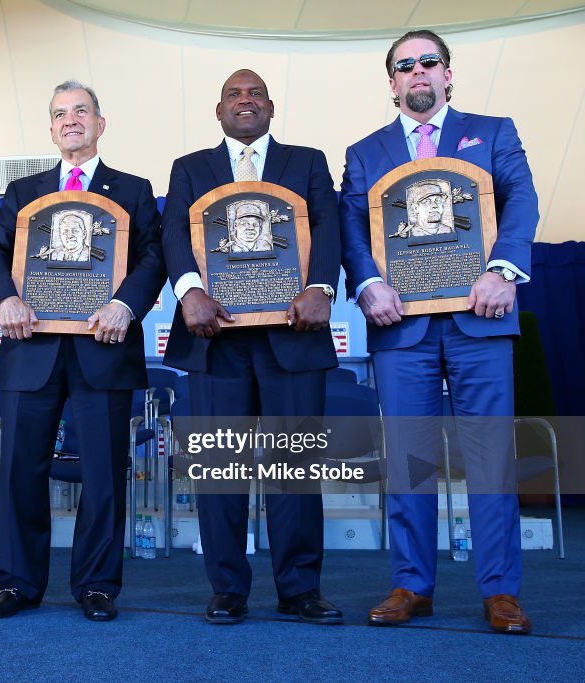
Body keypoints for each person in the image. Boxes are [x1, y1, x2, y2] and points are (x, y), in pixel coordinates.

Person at [340, 29, 536, 634]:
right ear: (392, 81)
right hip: (402, 329)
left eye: (429, 62)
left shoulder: (494, 131)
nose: (417, 72)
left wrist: (505, 269)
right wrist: (368, 284)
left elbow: (522, 198)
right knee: (409, 459)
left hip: (481, 320)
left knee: (491, 460)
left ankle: (500, 590)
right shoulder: (364, 151)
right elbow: (351, 224)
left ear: (447, 74)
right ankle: (411, 585)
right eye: (405, 66)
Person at [0, 79, 165, 621]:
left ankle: (98, 585)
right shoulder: (22, 190)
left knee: (104, 472)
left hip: (104, 347)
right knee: (18, 471)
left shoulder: (132, 188)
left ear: (100, 124)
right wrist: (5, 298)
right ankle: (16, 584)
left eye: (81, 111)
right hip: (30, 346)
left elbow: (153, 258)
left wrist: (126, 305)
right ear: (51, 128)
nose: (71, 121)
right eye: (60, 114)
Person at [162, 69, 343, 625]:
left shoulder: (307, 160)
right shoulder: (189, 168)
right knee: (219, 469)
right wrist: (189, 292)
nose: (246, 101)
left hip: (294, 334)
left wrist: (321, 287)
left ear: (271, 107)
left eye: (256, 94)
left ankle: (298, 590)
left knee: (296, 469)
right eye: (234, 95)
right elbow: (173, 233)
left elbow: (329, 226)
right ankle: (228, 589)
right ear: (219, 111)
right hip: (214, 336)